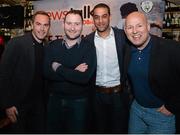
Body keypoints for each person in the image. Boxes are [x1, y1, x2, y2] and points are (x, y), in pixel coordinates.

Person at [123, 11, 180, 134]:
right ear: (125, 30)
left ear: (148, 26)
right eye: (129, 27)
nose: (134, 31)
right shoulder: (127, 49)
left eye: (139, 25)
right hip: (136, 111)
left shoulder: (170, 48)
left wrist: (173, 106)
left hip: (161, 115)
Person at [43, 10, 96, 133]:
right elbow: (46, 72)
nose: (73, 28)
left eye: (77, 24)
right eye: (69, 23)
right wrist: (74, 71)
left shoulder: (89, 48)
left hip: (79, 103)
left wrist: (58, 67)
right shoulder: (52, 46)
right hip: (54, 101)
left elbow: (84, 78)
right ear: (63, 24)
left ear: (82, 25)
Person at [0, 11, 51, 133]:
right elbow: (3, 75)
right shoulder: (17, 43)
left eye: (46, 25)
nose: (42, 29)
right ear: (32, 24)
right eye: (39, 24)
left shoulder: (47, 47)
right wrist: (7, 104)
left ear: (49, 27)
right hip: (18, 105)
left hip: (38, 105)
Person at [85, 3, 129, 133]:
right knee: (99, 130)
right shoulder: (88, 40)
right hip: (96, 96)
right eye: (97, 17)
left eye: (104, 16)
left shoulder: (123, 36)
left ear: (109, 16)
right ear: (93, 19)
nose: (100, 21)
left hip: (119, 96)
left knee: (119, 130)